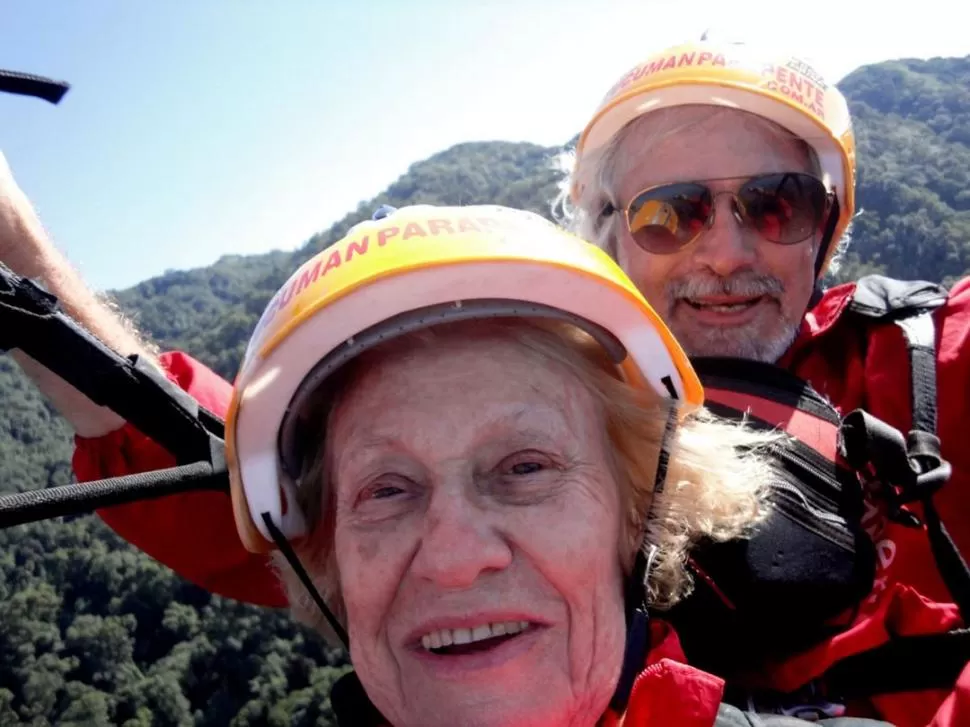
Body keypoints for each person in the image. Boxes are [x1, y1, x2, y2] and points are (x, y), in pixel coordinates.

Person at [555, 35, 970, 727]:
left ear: (824, 228)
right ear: (610, 238)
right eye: (671, 213)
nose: (724, 253)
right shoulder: (540, 425)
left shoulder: (918, 357)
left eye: (778, 203)